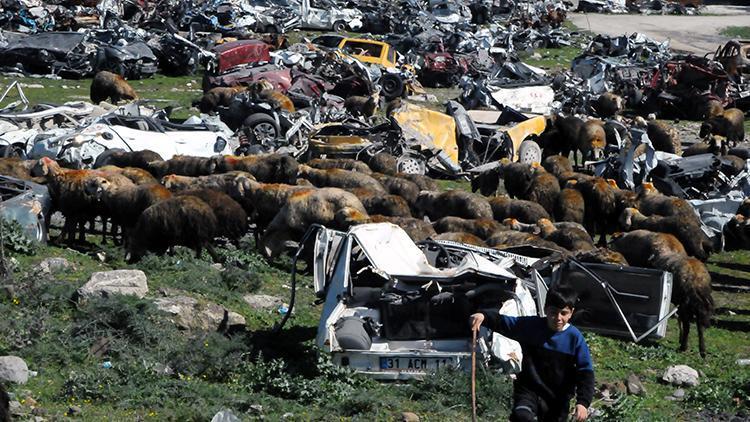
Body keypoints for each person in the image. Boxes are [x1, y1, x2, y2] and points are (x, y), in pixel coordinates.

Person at [469, 285, 594, 422]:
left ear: (571, 313)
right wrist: (484, 316)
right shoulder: (531, 327)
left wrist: (583, 403)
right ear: (546, 309)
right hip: (528, 389)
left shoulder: (575, 338)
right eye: (553, 312)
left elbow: (585, 372)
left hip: (557, 397)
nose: (558, 318)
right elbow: (505, 323)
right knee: (522, 416)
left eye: (563, 313)